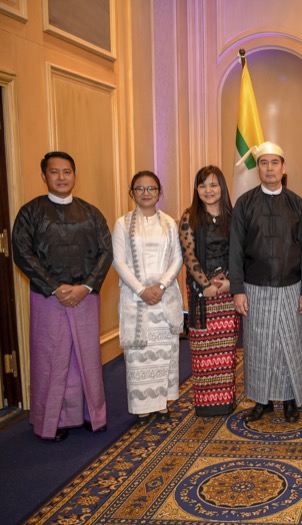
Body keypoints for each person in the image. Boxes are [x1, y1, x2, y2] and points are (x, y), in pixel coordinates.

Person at [11, 151, 112, 442]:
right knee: (51, 359)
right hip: (48, 298)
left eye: (67, 172)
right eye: (54, 172)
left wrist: (86, 286)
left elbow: (106, 251)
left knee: (86, 358)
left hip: (85, 296)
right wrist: (55, 287)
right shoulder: (30, 212)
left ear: (74, 175)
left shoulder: (91, 212)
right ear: (44, 176)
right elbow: (22, 253)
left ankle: (90, 415)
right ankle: (52, 421)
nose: (61, 177)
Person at [230, 141, 302, 424]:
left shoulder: (297, 204)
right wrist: (238, 290)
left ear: (283, 167)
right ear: (258, 169)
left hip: (291, 286)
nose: (269, 168)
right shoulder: (245, 204)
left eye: (274, 163)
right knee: (258, 345)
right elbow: (235, 250)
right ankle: (261, 400)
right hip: (254, 287)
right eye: (263, 163)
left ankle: (290, 400)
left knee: (289, 344)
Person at [112, 171, 183, 425]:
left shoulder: (169, 223)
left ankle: (161, 404)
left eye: (151, 188)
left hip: (164, 297)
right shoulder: (122, 224)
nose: (146, 193)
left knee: (164, 352)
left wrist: (161, 285)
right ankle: (142, 408)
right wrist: (142, 289)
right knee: (139, 355)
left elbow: (177, 258)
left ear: (159, 192)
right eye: (140, 188)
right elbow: (118, 261)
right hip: (136, 299)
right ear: (132, 193)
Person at [179, 166, 240, 417]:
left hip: (227, 290)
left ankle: (225, 400)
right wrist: (206, 285)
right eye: (203, 185)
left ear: (222, 187)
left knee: (225, 350)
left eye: (213, 185)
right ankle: (206, 403)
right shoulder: (189, 217)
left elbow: (240, 252)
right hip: (201, 293)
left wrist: (230, 281)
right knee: (203, 349)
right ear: (197, 189)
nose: (208, 190)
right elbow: (189, 255)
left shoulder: (233, 216)